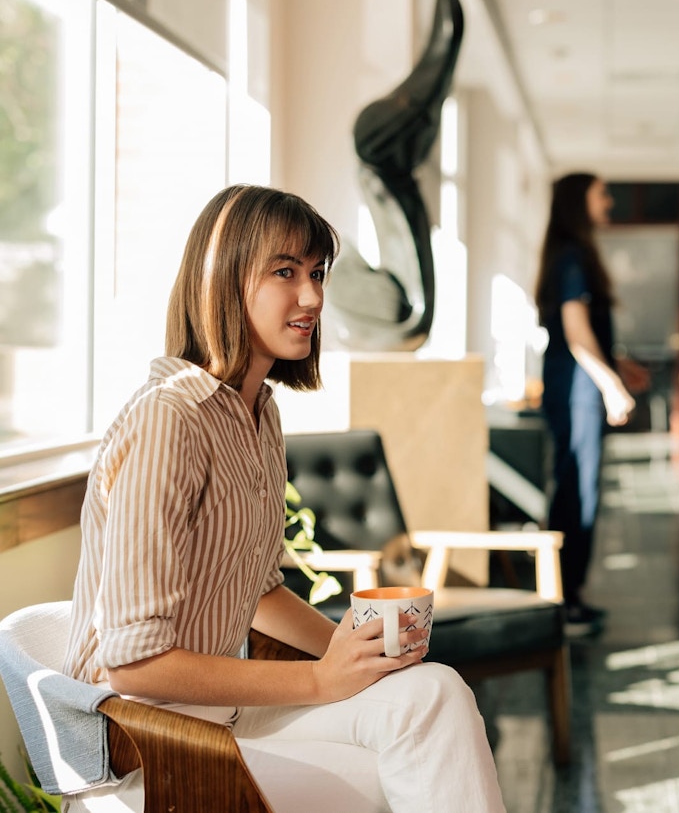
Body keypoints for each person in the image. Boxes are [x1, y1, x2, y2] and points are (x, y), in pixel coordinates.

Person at [63, 184, 506, 813]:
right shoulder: (169, 420)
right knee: (410, 766)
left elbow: (257, 589)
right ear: (222, 277)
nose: (313, 296)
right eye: (285, 272)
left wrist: (354, 650)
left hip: (223, 709)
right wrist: (321, 679)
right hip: (148, 741)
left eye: (318, 273)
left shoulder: (258, 413)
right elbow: (135, 665)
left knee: (431, 692)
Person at [533, 173, 648, 636]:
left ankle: (569, 595)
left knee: (573, 486)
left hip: (570, 381)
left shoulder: (568, 256)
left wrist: (618, 365)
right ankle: (563, 599)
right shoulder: (573, 257)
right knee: (577, 490)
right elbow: (578, 336)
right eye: (601, 193)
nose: (609, 200)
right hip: (577, 387)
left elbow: (578, 335)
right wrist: (612, 386)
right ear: (579, 202)